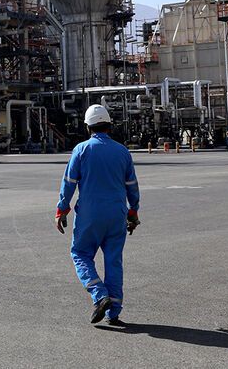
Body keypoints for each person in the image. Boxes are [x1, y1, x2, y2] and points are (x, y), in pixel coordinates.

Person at [54, 103, 140, 326]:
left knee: (80, 253)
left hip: (90, 215)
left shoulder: (81, 150)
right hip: (117, 214)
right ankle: (114, 312)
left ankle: (99, 294)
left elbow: (69, 182)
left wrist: (62, 209)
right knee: (113, 260)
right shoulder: (122, 151)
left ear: (87, 127)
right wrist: (133, 211)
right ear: (109, 126)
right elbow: (132, 185)